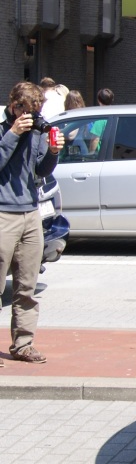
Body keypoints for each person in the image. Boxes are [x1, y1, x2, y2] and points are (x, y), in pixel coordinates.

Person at [0, 81, 64, 365]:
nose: (30, 116)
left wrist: (52, 152)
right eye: (25, 110)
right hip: (2, 213)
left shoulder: (37, 129)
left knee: (26, 286)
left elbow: (40, 170)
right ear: (13, 107)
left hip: (30, 213)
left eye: (35, 111)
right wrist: (13, 134)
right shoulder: (5, 130)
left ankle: (23, 344)